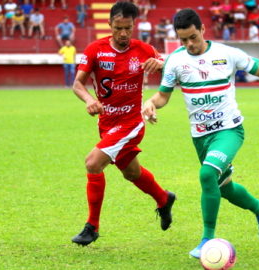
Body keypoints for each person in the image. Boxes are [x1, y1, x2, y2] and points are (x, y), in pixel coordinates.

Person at [142, 8, 259, 258]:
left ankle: (206, 240)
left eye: (193, 38)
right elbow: (163, 96)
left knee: (207, 173)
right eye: (183, 40)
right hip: (200, 136)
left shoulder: (227, 54)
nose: (189, 44)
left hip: (229, 130)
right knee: (223, 187)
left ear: (202, 30)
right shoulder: (175, 61)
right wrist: (150, 103)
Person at [71, 1, 176, 246]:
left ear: (133, 26)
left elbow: (174, 69)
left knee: (93, 163)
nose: (123, 34)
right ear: (109, 25)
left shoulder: (144, 49)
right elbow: (78, 83)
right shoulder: (95, 50)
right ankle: (163, 199)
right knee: (131, 172)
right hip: (107, 122)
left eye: (128, 28)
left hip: (131, 122)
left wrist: (161, 64)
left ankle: (92, 227)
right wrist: (89, 100)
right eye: (118, 28)